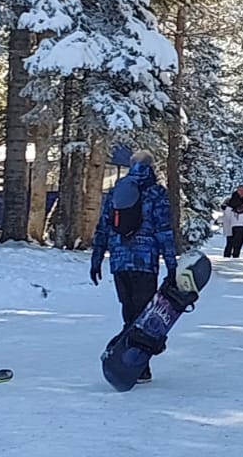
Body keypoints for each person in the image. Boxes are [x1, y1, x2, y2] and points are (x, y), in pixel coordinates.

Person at [90, 150, 178, 384]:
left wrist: (97, 257)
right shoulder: (155, 193)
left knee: (129, 311)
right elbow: (164, 232)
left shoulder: (116, 191)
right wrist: (172, 265)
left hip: (119, 261)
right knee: (143, 315)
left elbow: (103, 227)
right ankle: (138, 365)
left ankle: (130, 361)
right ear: (151, 167)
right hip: (144, 261)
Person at [221, 187, 243, 258]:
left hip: (241, 223)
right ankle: (229, 256)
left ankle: (234, 255)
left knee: (238, 241)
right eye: (240, 190)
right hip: (234, 223)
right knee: (232, 241)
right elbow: (226, 210)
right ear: (237, 191)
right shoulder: (232, 200)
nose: (242, 192)